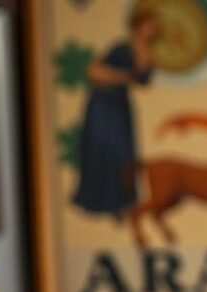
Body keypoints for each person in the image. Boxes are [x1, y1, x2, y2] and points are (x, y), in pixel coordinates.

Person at [71, 9, 159, 220]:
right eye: (149, 24)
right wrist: (121, 77)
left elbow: (142, 80)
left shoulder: (148, 53)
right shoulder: (121, 47)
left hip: (120, 105)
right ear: (139, 25)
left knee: (123, 153)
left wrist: (130, 75)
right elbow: (94, 71)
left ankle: (121, 203)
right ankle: (96, 202)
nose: (151, 29)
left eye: (154, 26)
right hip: (103, 103)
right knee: (101, 151)